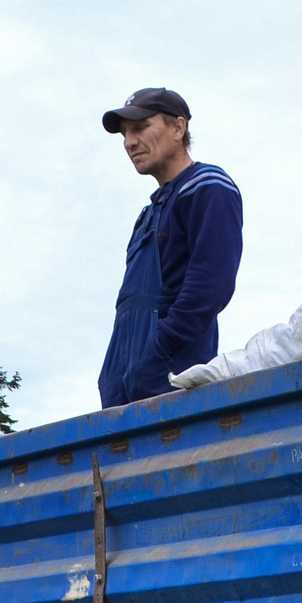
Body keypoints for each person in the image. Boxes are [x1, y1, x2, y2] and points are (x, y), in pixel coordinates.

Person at [98, 87, 243, 407]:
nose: (129, 142)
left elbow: (211, 285)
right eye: (124, 134)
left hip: (170, 380)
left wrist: (159, 346)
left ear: (178, 128)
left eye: (139, 128)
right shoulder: (149, 214)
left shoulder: (207, 187)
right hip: (125, 383)